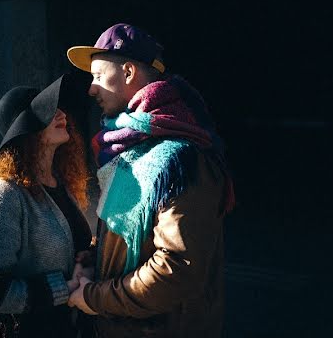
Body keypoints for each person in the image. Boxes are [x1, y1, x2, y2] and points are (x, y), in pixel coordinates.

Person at [65, 23, 235, 338]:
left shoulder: (181, 159)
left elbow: (176, 269)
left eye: (99, 76)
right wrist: (94, 258)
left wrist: (93, 297)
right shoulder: (129, 149)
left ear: (128, 72)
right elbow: (123, 236)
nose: (91, 89)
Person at [0, 74, 95, 338]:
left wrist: (89, 256)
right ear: (27, 130)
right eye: (48, 110)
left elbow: (71, 246)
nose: (61, 113)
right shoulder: (5, 195)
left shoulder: (61, 184)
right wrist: (67, 287)